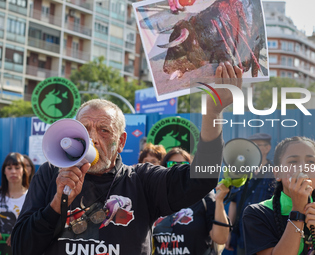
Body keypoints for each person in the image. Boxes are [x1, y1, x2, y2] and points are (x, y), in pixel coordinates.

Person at [11, 61, 243, 255]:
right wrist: (56, 204)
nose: (91, 138)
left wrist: (213, 112)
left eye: (103, 130)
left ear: (121, 142)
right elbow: (21, 246)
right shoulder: (53, 173)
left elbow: (203, 177)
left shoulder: (141, 180)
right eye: (84, 129)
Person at [243, 136, 315, 255]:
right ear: (277, 173)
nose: (303, 167)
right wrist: (297, 212)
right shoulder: (257, 213)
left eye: (310, 161)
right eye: (293, 161)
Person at [153, 148, 230, 254]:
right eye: (172, 164)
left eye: (184, 164)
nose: (178, 168)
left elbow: (220, 239)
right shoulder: (155, 196)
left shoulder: (205, 196)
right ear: (164, 167)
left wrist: (219, 201)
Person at [226, 133, 275, 255]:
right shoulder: (240, 172)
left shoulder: (276, 172)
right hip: (242, 237)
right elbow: (233, 203)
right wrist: (228, 232)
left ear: (267, 148)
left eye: (257, 145)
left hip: (267, 237)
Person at [0, 152, 29, 254]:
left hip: (21, 249)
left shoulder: (31, 197)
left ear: (23, 170)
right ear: (4, 171)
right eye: (9, 168)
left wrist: (18, 234)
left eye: (17, 168)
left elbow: (35, 224)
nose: (13, 172)